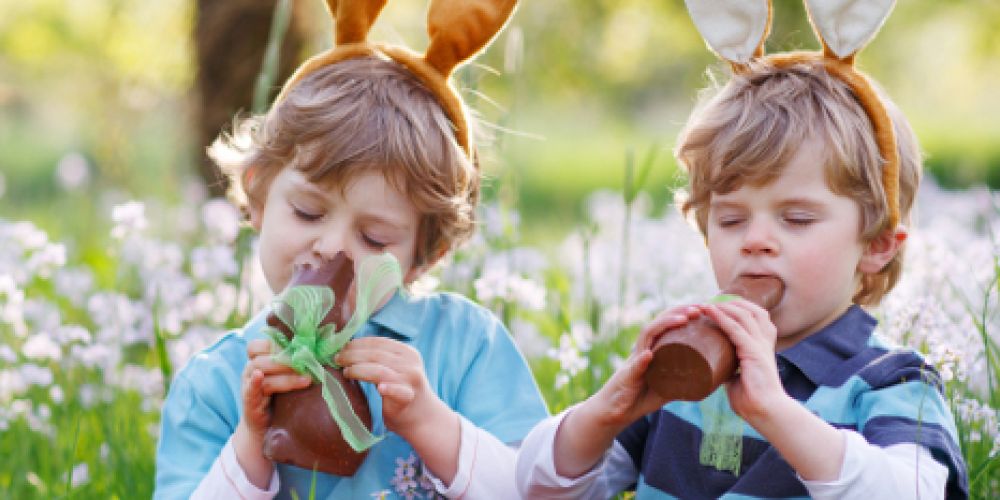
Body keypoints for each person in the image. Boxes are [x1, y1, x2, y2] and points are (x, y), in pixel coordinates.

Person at [515, 1, 967, 498]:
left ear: (877, 246)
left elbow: (916, 491)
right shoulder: (683, 379)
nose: (755, 241)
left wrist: (776, 413)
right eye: (730, 219)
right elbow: (539, 489)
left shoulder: (890, 383)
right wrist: (606, 412)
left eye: (796, 219)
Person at [155, 0, 548, 498]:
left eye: (375, 238)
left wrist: (431, 423)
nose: (332, 247)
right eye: (308, 212)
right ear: (257, 193)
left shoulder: (467, 347)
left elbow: (538, 489)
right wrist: (249, 446)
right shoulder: (216, 385)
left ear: (428, 253)